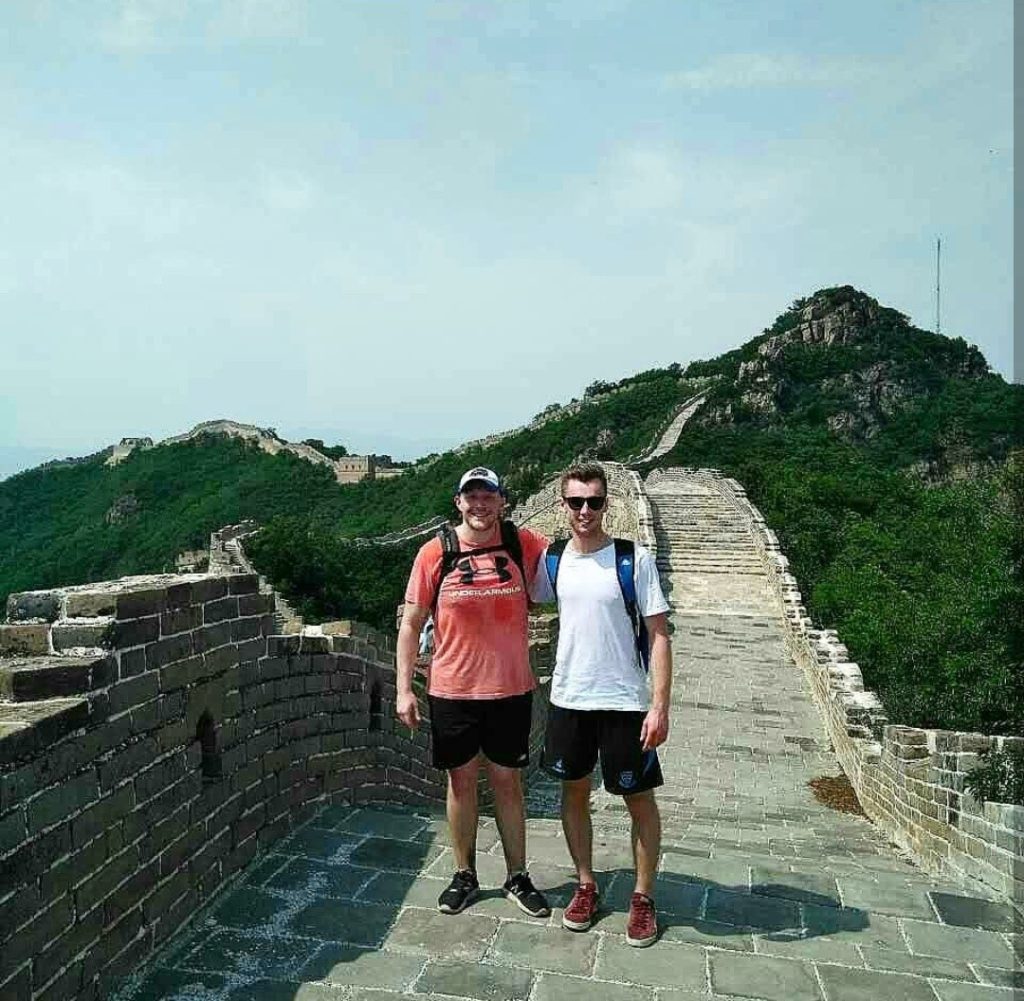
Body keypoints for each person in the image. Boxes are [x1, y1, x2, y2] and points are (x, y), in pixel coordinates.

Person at [396, 466, 551, 918]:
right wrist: (404, 688)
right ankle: (464, 875)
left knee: (508, 784)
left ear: (502, 501)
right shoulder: (435, 552)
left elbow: (574, 557)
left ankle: (518, 877)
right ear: (458, 502)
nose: (480, 505)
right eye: (472, 497)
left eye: (489, 497)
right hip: (452, 690)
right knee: (461, 784)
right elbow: (409, 624)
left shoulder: (523, 543)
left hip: (511, 688)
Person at [530, 462, 672, 947]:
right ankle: (586, 885)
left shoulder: (634, 559)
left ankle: (643, 897)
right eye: (576, 501)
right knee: (573, 794)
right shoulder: (551, 563)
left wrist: (659, 706)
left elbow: (658, 636)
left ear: (607, 503)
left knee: (638, 800)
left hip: (625, 702)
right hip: (570, 697)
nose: (585, 510)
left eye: (593, 501)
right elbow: (513, 603)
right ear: (562, 506)